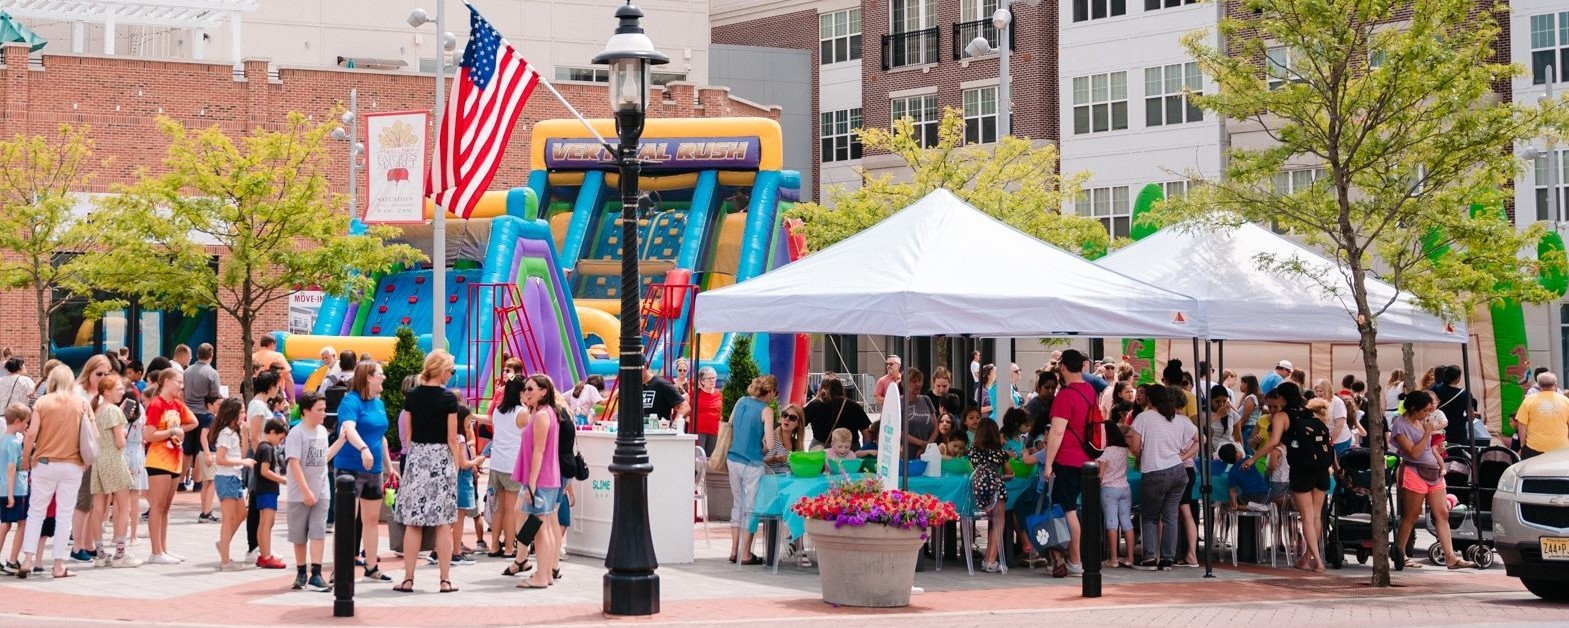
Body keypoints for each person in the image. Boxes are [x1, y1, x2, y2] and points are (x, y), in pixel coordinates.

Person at [394, 351, 464, 593]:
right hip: (440, 460)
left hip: (417, 458)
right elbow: (452, 438)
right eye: (451, 370)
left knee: (414, 523)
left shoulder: (412, 396)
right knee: (443, 524)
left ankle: (408, 578)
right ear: (441, 370)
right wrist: (454, 466)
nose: (451, 374)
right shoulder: (448, 399)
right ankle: (445, 580)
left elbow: (410, 435)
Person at [1245, 383, 1333, 572]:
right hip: (1321, 469)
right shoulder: (1310, 413)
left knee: (1307, 518)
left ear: (1282, 398)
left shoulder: (1282, 416)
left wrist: (1253, 458)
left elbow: (1273, 442)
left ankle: (1317, 561)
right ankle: (1307, 558)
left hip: (1301, 470)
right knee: (1316, 517)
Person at [18, 365, 90, 579]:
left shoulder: (42, 402)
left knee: (36, 512)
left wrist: (25, 460)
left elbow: (31, 435)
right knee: (64, 514)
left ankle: (28, 558)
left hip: (45, 462)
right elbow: (90, 435)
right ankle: (58, 564)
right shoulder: (82, 403)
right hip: (72, 463)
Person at [1391, 390, 1477, 569]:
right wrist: (1427, 433)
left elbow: (1433, 442)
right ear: (1413, 409)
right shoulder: (1400, 426)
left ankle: (1451, 556)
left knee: (1442, 513)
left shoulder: (1423, 421)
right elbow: (1413, 452)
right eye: (1424, 411)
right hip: (1414, 470)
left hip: (1434, 472)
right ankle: (1400, 552)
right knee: (1412, 515)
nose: (1426, 415)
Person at [1031, 349, 1095, 577]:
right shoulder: (1090, 391)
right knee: (1072, 509)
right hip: (1087, 459)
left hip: (1066, 459)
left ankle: (1075, 561)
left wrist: (1048, 464)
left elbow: (1057, 433)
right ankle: (1072, 558)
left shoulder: (1065, 396)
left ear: (1064, 368)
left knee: (1066, 510)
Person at [333, 361, 397, 583]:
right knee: (347, 519)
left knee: (371, 520)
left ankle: (371, 566)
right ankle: (340, 567)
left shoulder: (378, 403)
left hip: (374, 469)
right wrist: (363, 448)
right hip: (349, 467)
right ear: (368, 377)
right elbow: (348, 429)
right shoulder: (350, 401)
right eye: (380, 374)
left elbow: (381, 436)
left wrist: (389, 467)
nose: (384, 378)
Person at [1128, 385, 1199, 570]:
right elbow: (1201, 439)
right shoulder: (1180, 419)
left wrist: (1141, 455)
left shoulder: (1143, 418)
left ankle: (1150, 557)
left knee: (1150, 516)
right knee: (1170, 516)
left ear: (1149, 400)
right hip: (1178, 471)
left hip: (1154, 472)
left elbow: (1135, 447)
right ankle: (1168, 559)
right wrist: (1184, 456)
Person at [286, 393, 344, 591]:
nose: (324, 413)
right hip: (299, 493)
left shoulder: (321, 432)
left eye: (324, 409)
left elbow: (323, 457)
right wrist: (305, 491)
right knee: (299, 534)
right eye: (319, 410)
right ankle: (301, 571)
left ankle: (316, 573)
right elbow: (294, 463)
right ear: (306, 411)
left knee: (318, 532)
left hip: (322, 490)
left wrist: (342, 440)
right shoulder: (297, 433)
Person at [512, 374, 564, 590]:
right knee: (544, 527)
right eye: (526, 389)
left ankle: (542, 575)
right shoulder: (544, 413)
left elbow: (539, 450)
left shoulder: (543, 415)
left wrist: (531, 482)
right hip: (546, 478)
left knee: (540, 528)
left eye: (531, 389)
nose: (527, 393)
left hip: (541, 479)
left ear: (544, 391)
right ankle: (546, 573)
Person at [142, 369, 197, 564]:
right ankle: (156, 551)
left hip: (175, 459)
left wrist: (179, 430)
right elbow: (149, 435)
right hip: (158, 459)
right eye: (178, 381)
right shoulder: (156, 405)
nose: (181, 386)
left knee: (165, 507)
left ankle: (163, 549)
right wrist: (171, 431)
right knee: (157, 505)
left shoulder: (177, 405)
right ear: (166, 381)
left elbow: (193, 422)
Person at [87, 374, 138, 568]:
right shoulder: (114, 411)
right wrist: (124, 433)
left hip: (99, 460)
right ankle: (120, 554)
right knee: (123, 507)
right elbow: (120, 442)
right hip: (114, 459)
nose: (122, 392)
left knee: (98, 508)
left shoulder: (97, 410)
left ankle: (100, 553)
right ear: (107, 391)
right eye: (118, 389)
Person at [726, 375, 777, 566]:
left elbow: (730, 424)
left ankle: (733, 550)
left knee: (737, 504)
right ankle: (745, 553)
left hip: (733, 458)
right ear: (770, 391)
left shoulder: (741, 402)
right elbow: (771, 444)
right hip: (752, 462)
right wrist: (763, 445)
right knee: (751, 507)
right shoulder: (766, 411)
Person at [211, 397, 254, 571]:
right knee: (228, 518)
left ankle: (224, 543)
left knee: (241, 513)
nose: (244, 415)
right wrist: (243, 463)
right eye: (242, 412)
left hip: (234, 477)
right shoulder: (225, 434)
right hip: (226, 477)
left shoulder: (234, 432)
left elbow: (241, 454)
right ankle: (226, 560)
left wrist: (244, 435)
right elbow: (220, 459)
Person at [488, 378, 527, 562]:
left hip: (496, 463)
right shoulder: (522, 413)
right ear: (520, 392)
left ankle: (495, 544)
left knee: (500, 508)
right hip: (513, 465)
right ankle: (510, 547)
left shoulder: (497, 411)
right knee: (511, 509)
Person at [245, 370, 282, 561]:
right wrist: (262, 457)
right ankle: (254, 546)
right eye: (277, 384)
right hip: (260, 457)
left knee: (257, 503)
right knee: (256, 503)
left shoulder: (259, 404)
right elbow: (254, 434)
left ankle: (260, 546)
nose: (278, 388)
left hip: (262, 455)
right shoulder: (258, 406)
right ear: (270, 386)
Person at [968, 418, 1011, 573]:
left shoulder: (972, 451)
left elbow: (971, 469)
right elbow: (1009, 472)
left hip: (978, 491)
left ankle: (988, 559)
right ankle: (991, 560)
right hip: (996, 489)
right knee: (999, 522)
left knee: (994, 521)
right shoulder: (999, 452)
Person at [181, 344, 221, 496]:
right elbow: (216, 395)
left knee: (187, 450)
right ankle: (197, 482)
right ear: (211, 354)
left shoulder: (187, 371)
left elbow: (183, 391)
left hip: (188, 413)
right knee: (199, 450)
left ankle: (180, 482)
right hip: (204, 413)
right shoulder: (212, 373)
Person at [1099, 422, 1135, 569]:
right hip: (1125, 488)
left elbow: (1100, 475)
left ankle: (1113, 559)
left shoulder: (1105, 451)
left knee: (1111, 523)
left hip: (1109, 489)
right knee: (1127, 522)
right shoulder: (1123, 450)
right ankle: (1130, 558)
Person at [252, 419, 288, 569]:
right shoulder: (267, 448)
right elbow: (264, 471)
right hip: (267, 489)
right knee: (267, 522)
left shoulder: (262, 447)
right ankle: (266, 556)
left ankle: (264, 554)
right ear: (272, 432)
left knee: (265, 522)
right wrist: (282, 480)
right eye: (280, 438)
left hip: (263, 489)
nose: (280, 442)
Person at [0, 403, 31, 573]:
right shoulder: (13, 442)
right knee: (22, 522)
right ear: (17, 421)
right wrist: (12, 494)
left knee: (5, 524)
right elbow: (12, 467)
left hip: (3, 488)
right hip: (16, 489)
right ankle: (12, 560)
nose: (27, 425)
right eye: (26, 422)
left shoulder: (3, 440)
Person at [803, 377, 870, 450]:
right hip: (849, 448)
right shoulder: (854, 406)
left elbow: (799, 423)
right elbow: (866, 432)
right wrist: (865, 451)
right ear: (841, 388)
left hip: (821, 448)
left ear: (821, 388)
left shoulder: (815, 405)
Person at [1515, 372, 1569, 458]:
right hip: (1561, 448)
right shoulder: (1566, 401)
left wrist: (1523, 445)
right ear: (1555, 385)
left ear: (1539, 385)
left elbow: (1522, 425)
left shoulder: (1529, 400)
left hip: (1534, 448)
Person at [1218, 444, 1271, 512]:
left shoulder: (1231, 472)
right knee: (1267, 496)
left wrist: (1234, 505)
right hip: (1263, 496)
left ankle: (1240, 507)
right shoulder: (1248, 459)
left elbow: (1232, 491)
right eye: (1237, 449)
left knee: (1229, 502)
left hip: (1246, 499)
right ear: (1237, 454)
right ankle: (1257, 506)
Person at [903, 368, 937, 458]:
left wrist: (928, 445)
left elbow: (935, 427)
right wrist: (922, 443)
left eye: (919, 381)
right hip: (905, 453)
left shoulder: (926, 399)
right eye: (914, 381)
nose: (917, 384)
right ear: (904, 383)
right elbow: (897, 431)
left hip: (926, 453)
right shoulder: (897, 401)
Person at [1315, 379, 1354, 456]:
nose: (1318, 393)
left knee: (1340, 464)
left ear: (1327, 390)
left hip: (1340, 440)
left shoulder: (1337, 402)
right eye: (1317, 391)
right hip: (1327, 438)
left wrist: (1329, 441)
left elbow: (1339, 426)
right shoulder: (1318, 402)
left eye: (1321, 391)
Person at [768, 405, 806, 475]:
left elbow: (800, 469)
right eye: (785, 415)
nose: (787, 419)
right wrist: (773, 459)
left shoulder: (796, 445)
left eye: (792, 418)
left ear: (798, 423)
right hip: (767, 482)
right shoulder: (770, 435)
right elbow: (754, 463)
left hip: (787, 483)